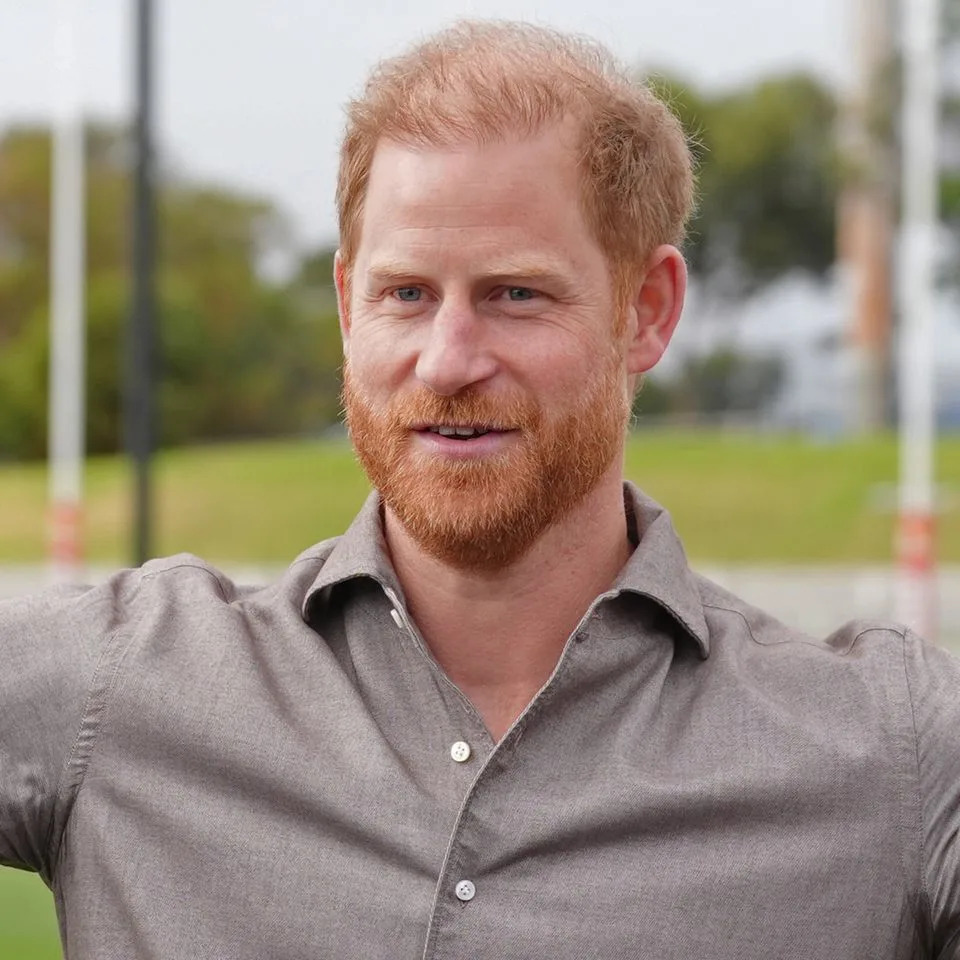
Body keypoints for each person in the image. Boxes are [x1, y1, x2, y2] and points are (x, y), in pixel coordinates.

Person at [2, 19, 958, 959]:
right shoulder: (121, 684)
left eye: (516, 294)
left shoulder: (889, 753)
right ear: (347, 307)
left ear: (647, 312)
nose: (448, 360)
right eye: (406, 294)